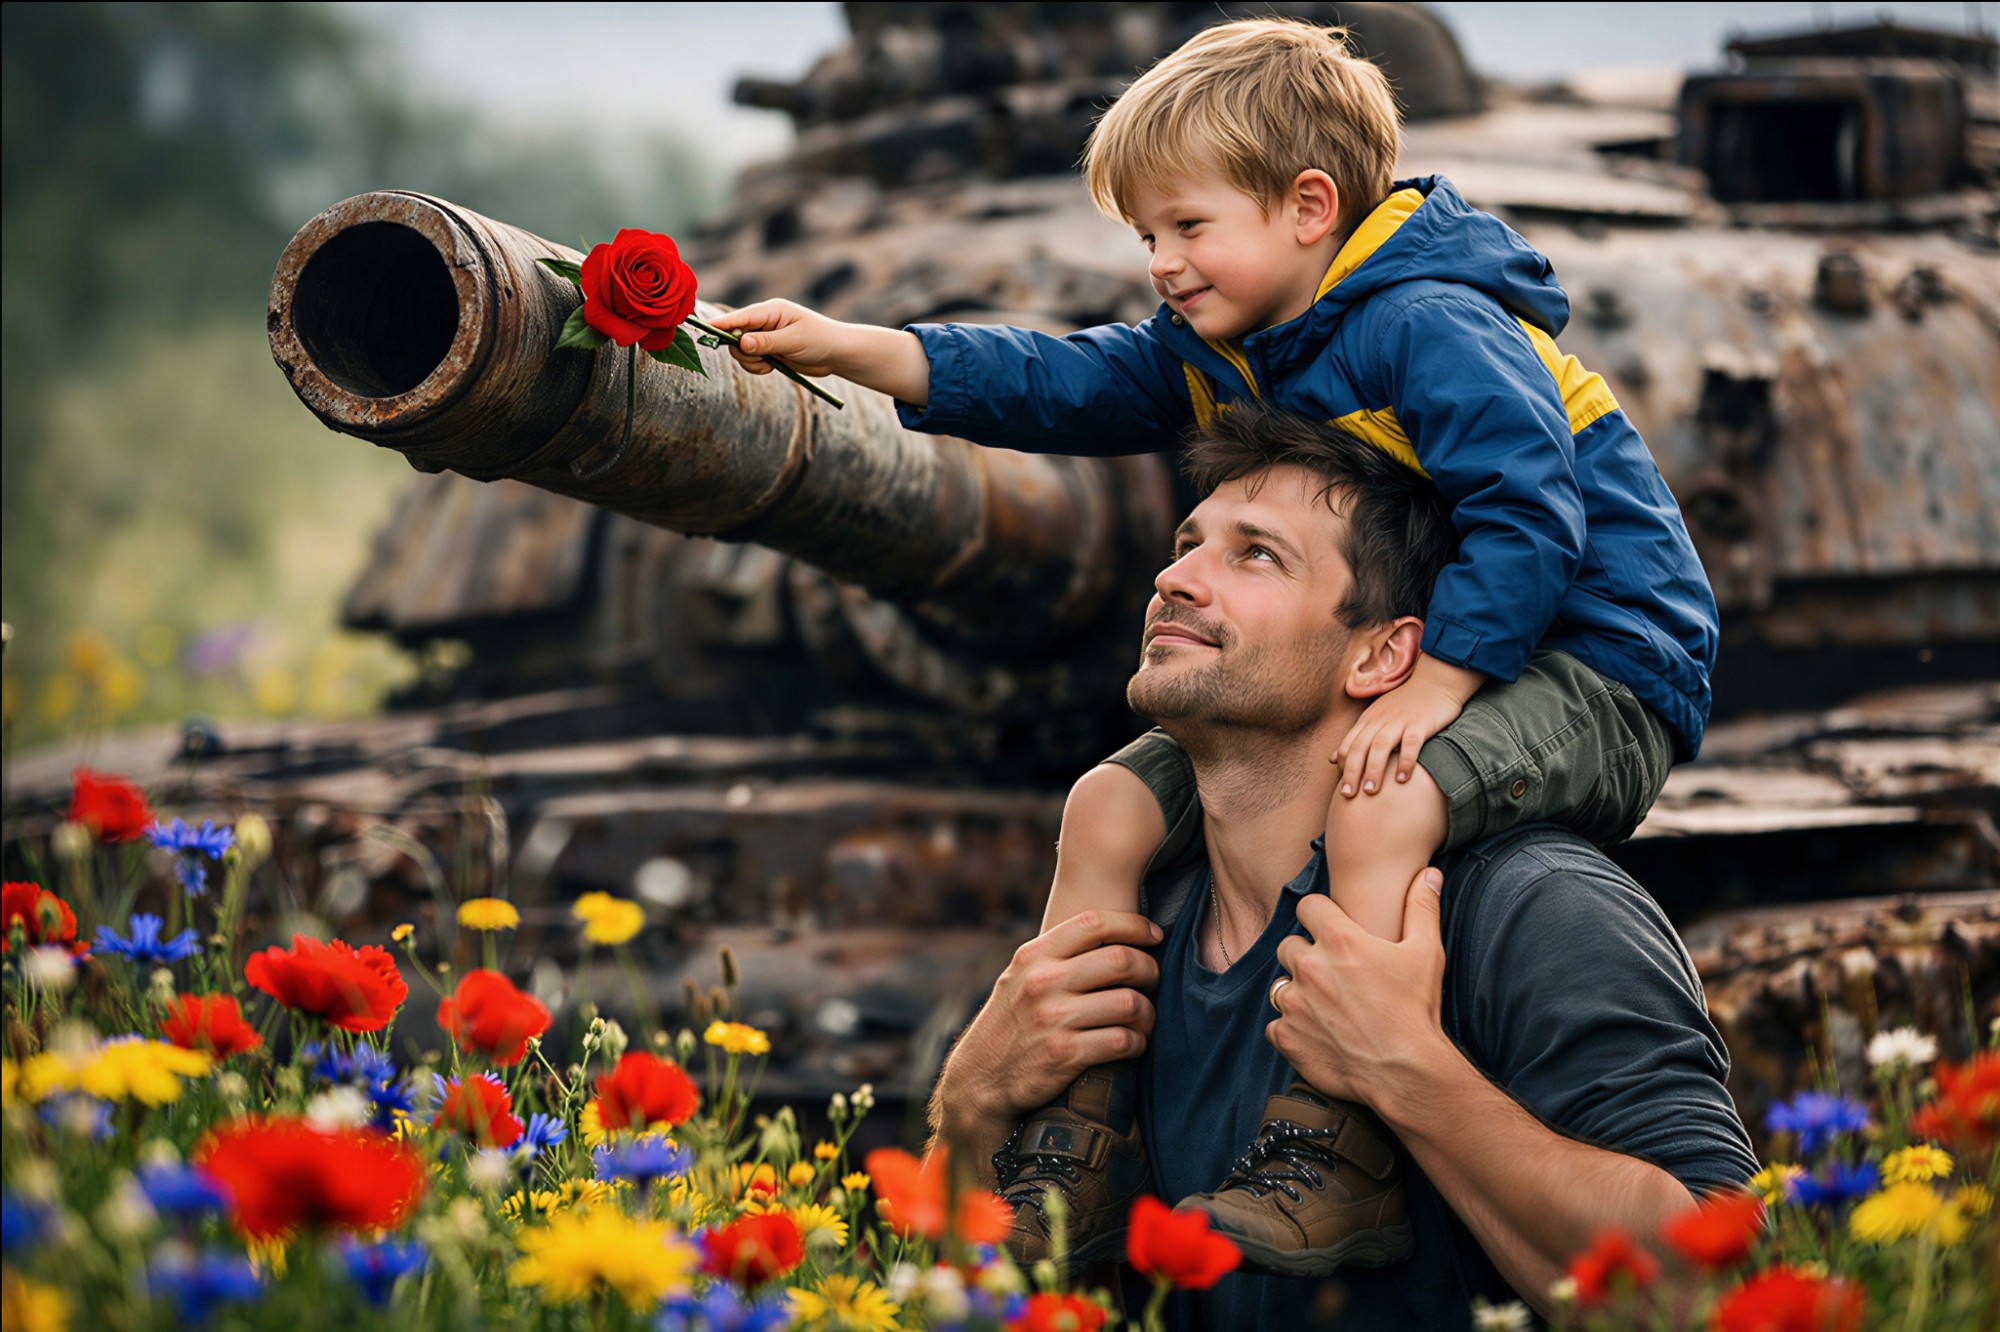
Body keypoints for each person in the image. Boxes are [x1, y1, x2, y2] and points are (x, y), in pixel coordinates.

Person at [709, 16, 1718, 1272]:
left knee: (1383, 805)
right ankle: (1065, 1143)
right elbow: (1053, 383)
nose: (1160, 265)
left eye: (1186, 228)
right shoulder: (1233, 347)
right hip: (1445, 640)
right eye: (1144, 238)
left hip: (1597, 651)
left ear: (1308, 207)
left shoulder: (1428, 321)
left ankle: (1333, 1138)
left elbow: (1528, 508)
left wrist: (1447, 679)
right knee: (1108, 805)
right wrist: (856, 351)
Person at [929, 407, 1758, 1327]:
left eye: (1255, 555)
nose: (1173, 579)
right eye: (1187, 542)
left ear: (1383, 653)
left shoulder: (1529, 909)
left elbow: (1723, 1290)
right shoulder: (1135, 923)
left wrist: (1406, 1071)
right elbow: (975, 1303)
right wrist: (970, 1109)